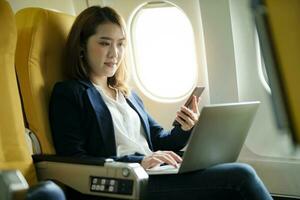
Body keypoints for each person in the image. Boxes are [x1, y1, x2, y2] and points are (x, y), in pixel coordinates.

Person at [49, 6, 273, 200]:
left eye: (121, 44)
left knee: (227, 168)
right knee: (240, 177)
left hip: (152, 173)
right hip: (124, 185)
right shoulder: (70, 93)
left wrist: (185, 127)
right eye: (105, 43)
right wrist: (139, 161)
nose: (115, 53)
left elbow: (161, 141)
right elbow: (76, 161)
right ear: (81, 46)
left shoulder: (128, 95)